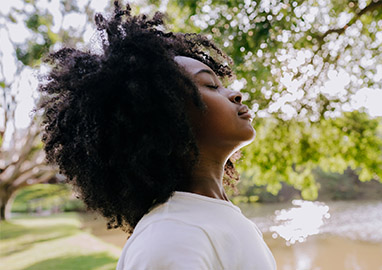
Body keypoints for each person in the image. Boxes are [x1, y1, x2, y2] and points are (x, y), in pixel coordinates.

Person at [37, 1, 276, 269]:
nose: (235, 94)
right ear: (169, 117)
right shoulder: (170, 238)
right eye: (210, 85)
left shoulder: (211, 218)